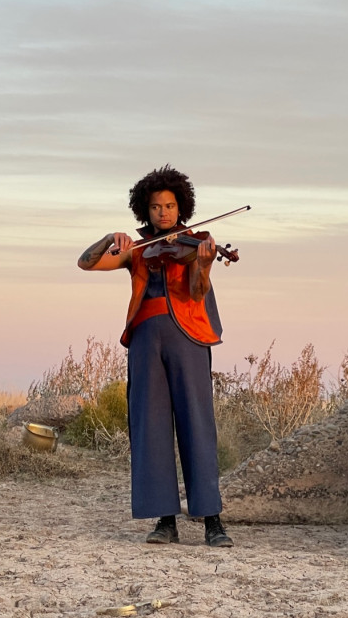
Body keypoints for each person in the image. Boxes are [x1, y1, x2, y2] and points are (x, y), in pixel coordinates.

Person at [77, 164, 233, 548]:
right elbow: (87, 261)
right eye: (155, 207)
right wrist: (108, 239)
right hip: (146, 339)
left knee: (197, 424)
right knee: (151, 427)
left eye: (169, 206)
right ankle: (165, 521)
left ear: (181, 208)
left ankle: (212, 521)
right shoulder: (138, 251)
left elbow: (197, 292)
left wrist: (206, 262)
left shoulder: (196, 244)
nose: (163, 213)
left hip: (188, 336)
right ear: (144, 211)